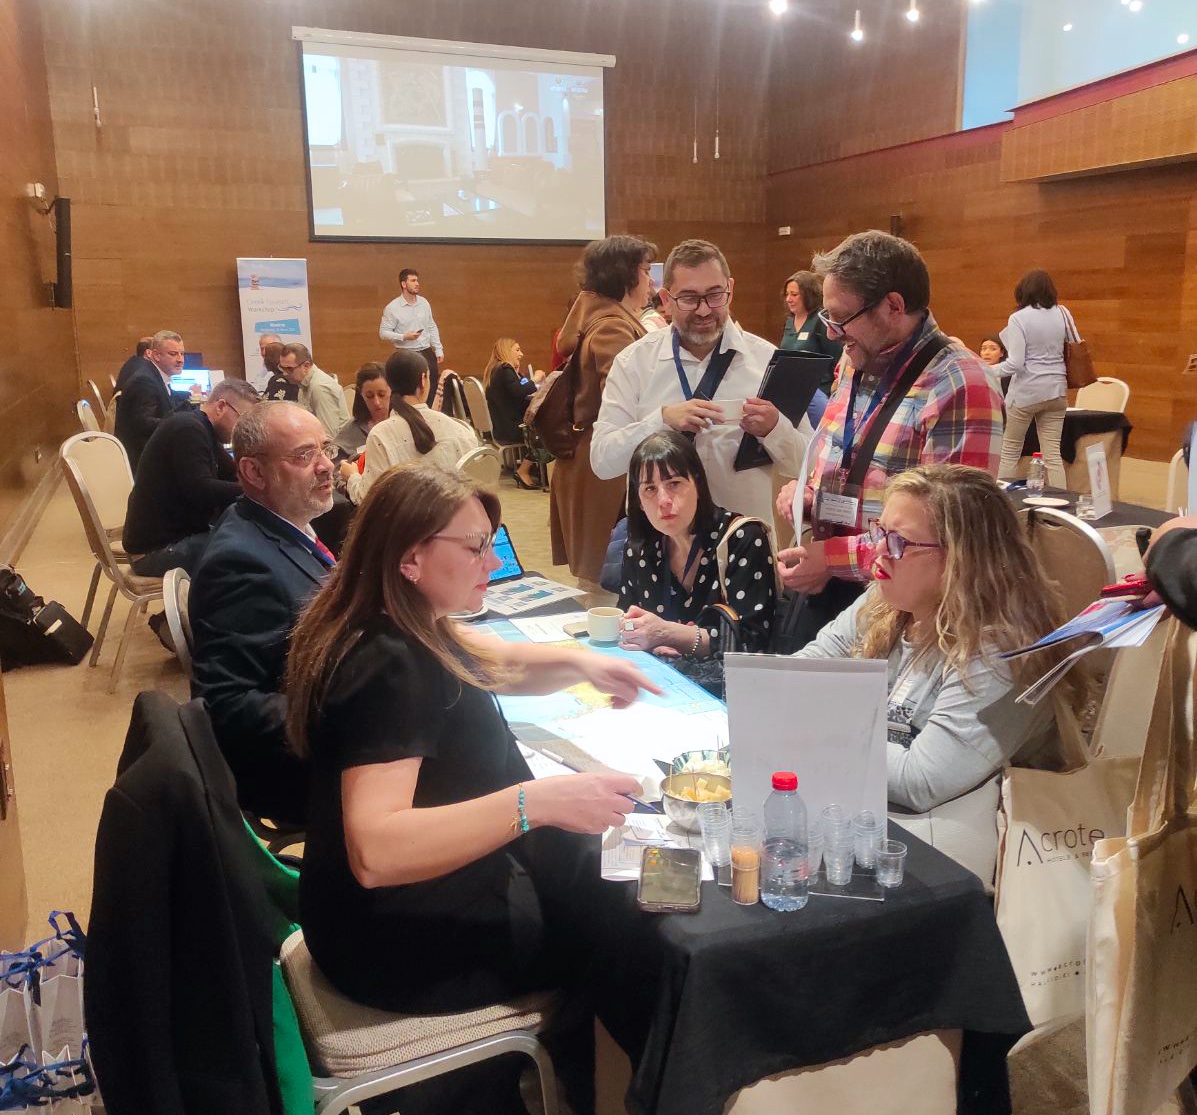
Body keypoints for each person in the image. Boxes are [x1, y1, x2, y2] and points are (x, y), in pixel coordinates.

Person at [285, 462, 656, 1111]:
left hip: (364, 918)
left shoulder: (401, 621)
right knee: (623, 936)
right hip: (394, 944)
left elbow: (492, 660)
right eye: (476, 546)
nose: (495, 561)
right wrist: (537, 802)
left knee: (588, 895)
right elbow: (376, 850)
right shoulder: (389, 667)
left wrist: (581, 662)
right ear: (410, 558)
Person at [795, 464, 1084, 884]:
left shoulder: (1002, 649)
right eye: (879, 533)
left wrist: (810, 734)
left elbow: (920, 781)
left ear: (961, 559)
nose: (877, 553)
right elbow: (802, 672)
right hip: (882, 826)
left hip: (956, 867)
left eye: (899, 542)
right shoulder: (885, 600)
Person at [774, 230, 1004, 648]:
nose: (832, 334)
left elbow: (949, 537)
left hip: (906, 614)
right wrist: (811, 498)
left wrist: (832, 559)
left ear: (894, 306)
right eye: (827, 318)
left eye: (841, 318)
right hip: (834, 590)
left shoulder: (961, 384)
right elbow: (853, 462)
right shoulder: (857, 358)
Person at [592, 238, 811, 531]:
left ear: (730, 290)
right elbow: (603, 461)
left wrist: (775, 430)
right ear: (666, 299)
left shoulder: (767, 362)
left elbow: (809, 467)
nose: (704, 310)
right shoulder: (634, 363)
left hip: (742, 544)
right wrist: (661, 421)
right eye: (689, 298)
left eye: (715, 295)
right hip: (659, 545)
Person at [189, 402, 337, 824]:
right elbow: (226, 702)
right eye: (304, 456)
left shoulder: (281, 522)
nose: (327, 465)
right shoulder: (240, 564)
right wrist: (354, 707)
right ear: (254, 472)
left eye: (326, 449)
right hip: (302, 769)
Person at [550, 235, 656, 589]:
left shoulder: (601, 319)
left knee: (599, 579)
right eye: (646, 270)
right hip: (607, 465)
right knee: (606, 581)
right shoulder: (613, 326)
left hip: (592, 458)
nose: (651, 281)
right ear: (626, 274)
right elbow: (626, 398)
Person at [617, 431, 777, 659]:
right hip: (657, 674)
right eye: (650, 489)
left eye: (674, 483)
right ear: (639, 502)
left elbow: (752, 643)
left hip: (725, 681)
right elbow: (628, 622)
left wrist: (670, 634)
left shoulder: (743, 538)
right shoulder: (639, 547)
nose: (663, 501)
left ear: (699, 485)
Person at [122, 379, 260, 576]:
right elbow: (201, 490)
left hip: (174, 539)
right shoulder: (188, 429)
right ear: (221, 406)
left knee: (249, 537)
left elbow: (232, 473)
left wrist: (259, 479)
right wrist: (256, 489)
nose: (244, 431)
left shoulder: (201, 427)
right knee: (255, 548)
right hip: (156, 552)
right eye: (243, 421)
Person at [340, 349, 478, 504]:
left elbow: (368, 498)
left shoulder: (380, 435)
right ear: (424, 379)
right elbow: (478, 487)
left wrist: (352, 477)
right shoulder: (461, 429)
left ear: (389, 385)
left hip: (405, 519)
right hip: (458, 515)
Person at [993, 269, 1072, 489]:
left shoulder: (1018, 318)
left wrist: (987, 370)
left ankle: (1005, 500)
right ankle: (1061, 502)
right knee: (1053, 455)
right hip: (1057, 390)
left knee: (1010, 451)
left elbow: (1015, 363)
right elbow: (1075, 343)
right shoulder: (1063, 312)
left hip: (1026, 392)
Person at [114, 329, 189, 469]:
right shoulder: (144, 381)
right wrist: (181, 423)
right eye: (173, 354)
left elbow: (166, 397)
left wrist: (189, 398)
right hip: (145, 461)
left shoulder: (152, 374)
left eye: (182, 354)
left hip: (150, 451)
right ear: (156, 355)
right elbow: (144, 423)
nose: (180, 360)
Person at [482, 337, 544, 490]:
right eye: (517, 350)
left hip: (502, 426)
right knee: (546, 431)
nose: (521, 354)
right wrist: (535, 380)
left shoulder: (495, 370)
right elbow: (519, 392)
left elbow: (516, 389)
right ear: (506, 351)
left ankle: (535, 467)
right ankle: (524, 470)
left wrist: (522, 378)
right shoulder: (505, 369)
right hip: (512, 428)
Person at [379, 268, 444, 404]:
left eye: (417, 280)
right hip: (406, 353)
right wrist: (404, 336)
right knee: (410, 391)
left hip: (426, 351)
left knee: (431, 389)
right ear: (404, 284)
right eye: (413, 281)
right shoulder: (393, 308)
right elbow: (383, 333)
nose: (417, 284)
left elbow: (431, 326)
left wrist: (438, 348)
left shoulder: (424, 303)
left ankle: (429, 413)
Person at [780, 269, 843, 395]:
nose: (788, 299)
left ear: (808, 295)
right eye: (787, 294)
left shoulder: (820, 320)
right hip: (795, 391)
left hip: (820, 392)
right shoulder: (789, 322)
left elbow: (837, 358)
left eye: (794, 294)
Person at [278, 342, 351, 436]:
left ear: (306, 366)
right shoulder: (303, 384)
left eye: (289, 369)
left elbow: (328, 435)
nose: (284, 373)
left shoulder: (319, 388)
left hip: (336, 444)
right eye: (282, 368)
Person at [332, 362, 391, 458]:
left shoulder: (404, 421)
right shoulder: (351, 431)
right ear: (361, 395)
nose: (376, 402)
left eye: (382, 394)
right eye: (369, 396)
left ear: (392, 390)